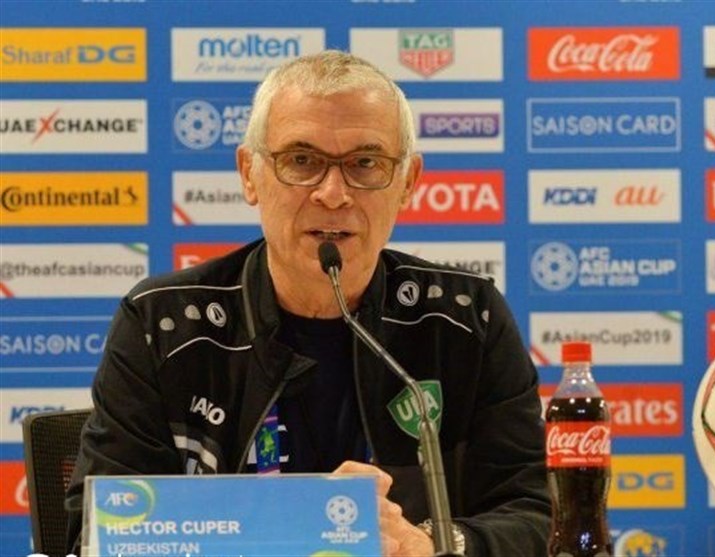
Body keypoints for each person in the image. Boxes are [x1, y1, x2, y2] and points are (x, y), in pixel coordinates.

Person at [66, 50, 551, 556]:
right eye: (301, 160)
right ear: (249, 174)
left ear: (408, 182)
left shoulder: (466, 317)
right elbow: (99, 534)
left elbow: (537, 514)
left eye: (366, 163)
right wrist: (297, 527)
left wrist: (431, 544)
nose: (333, 193)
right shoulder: (164, 324)